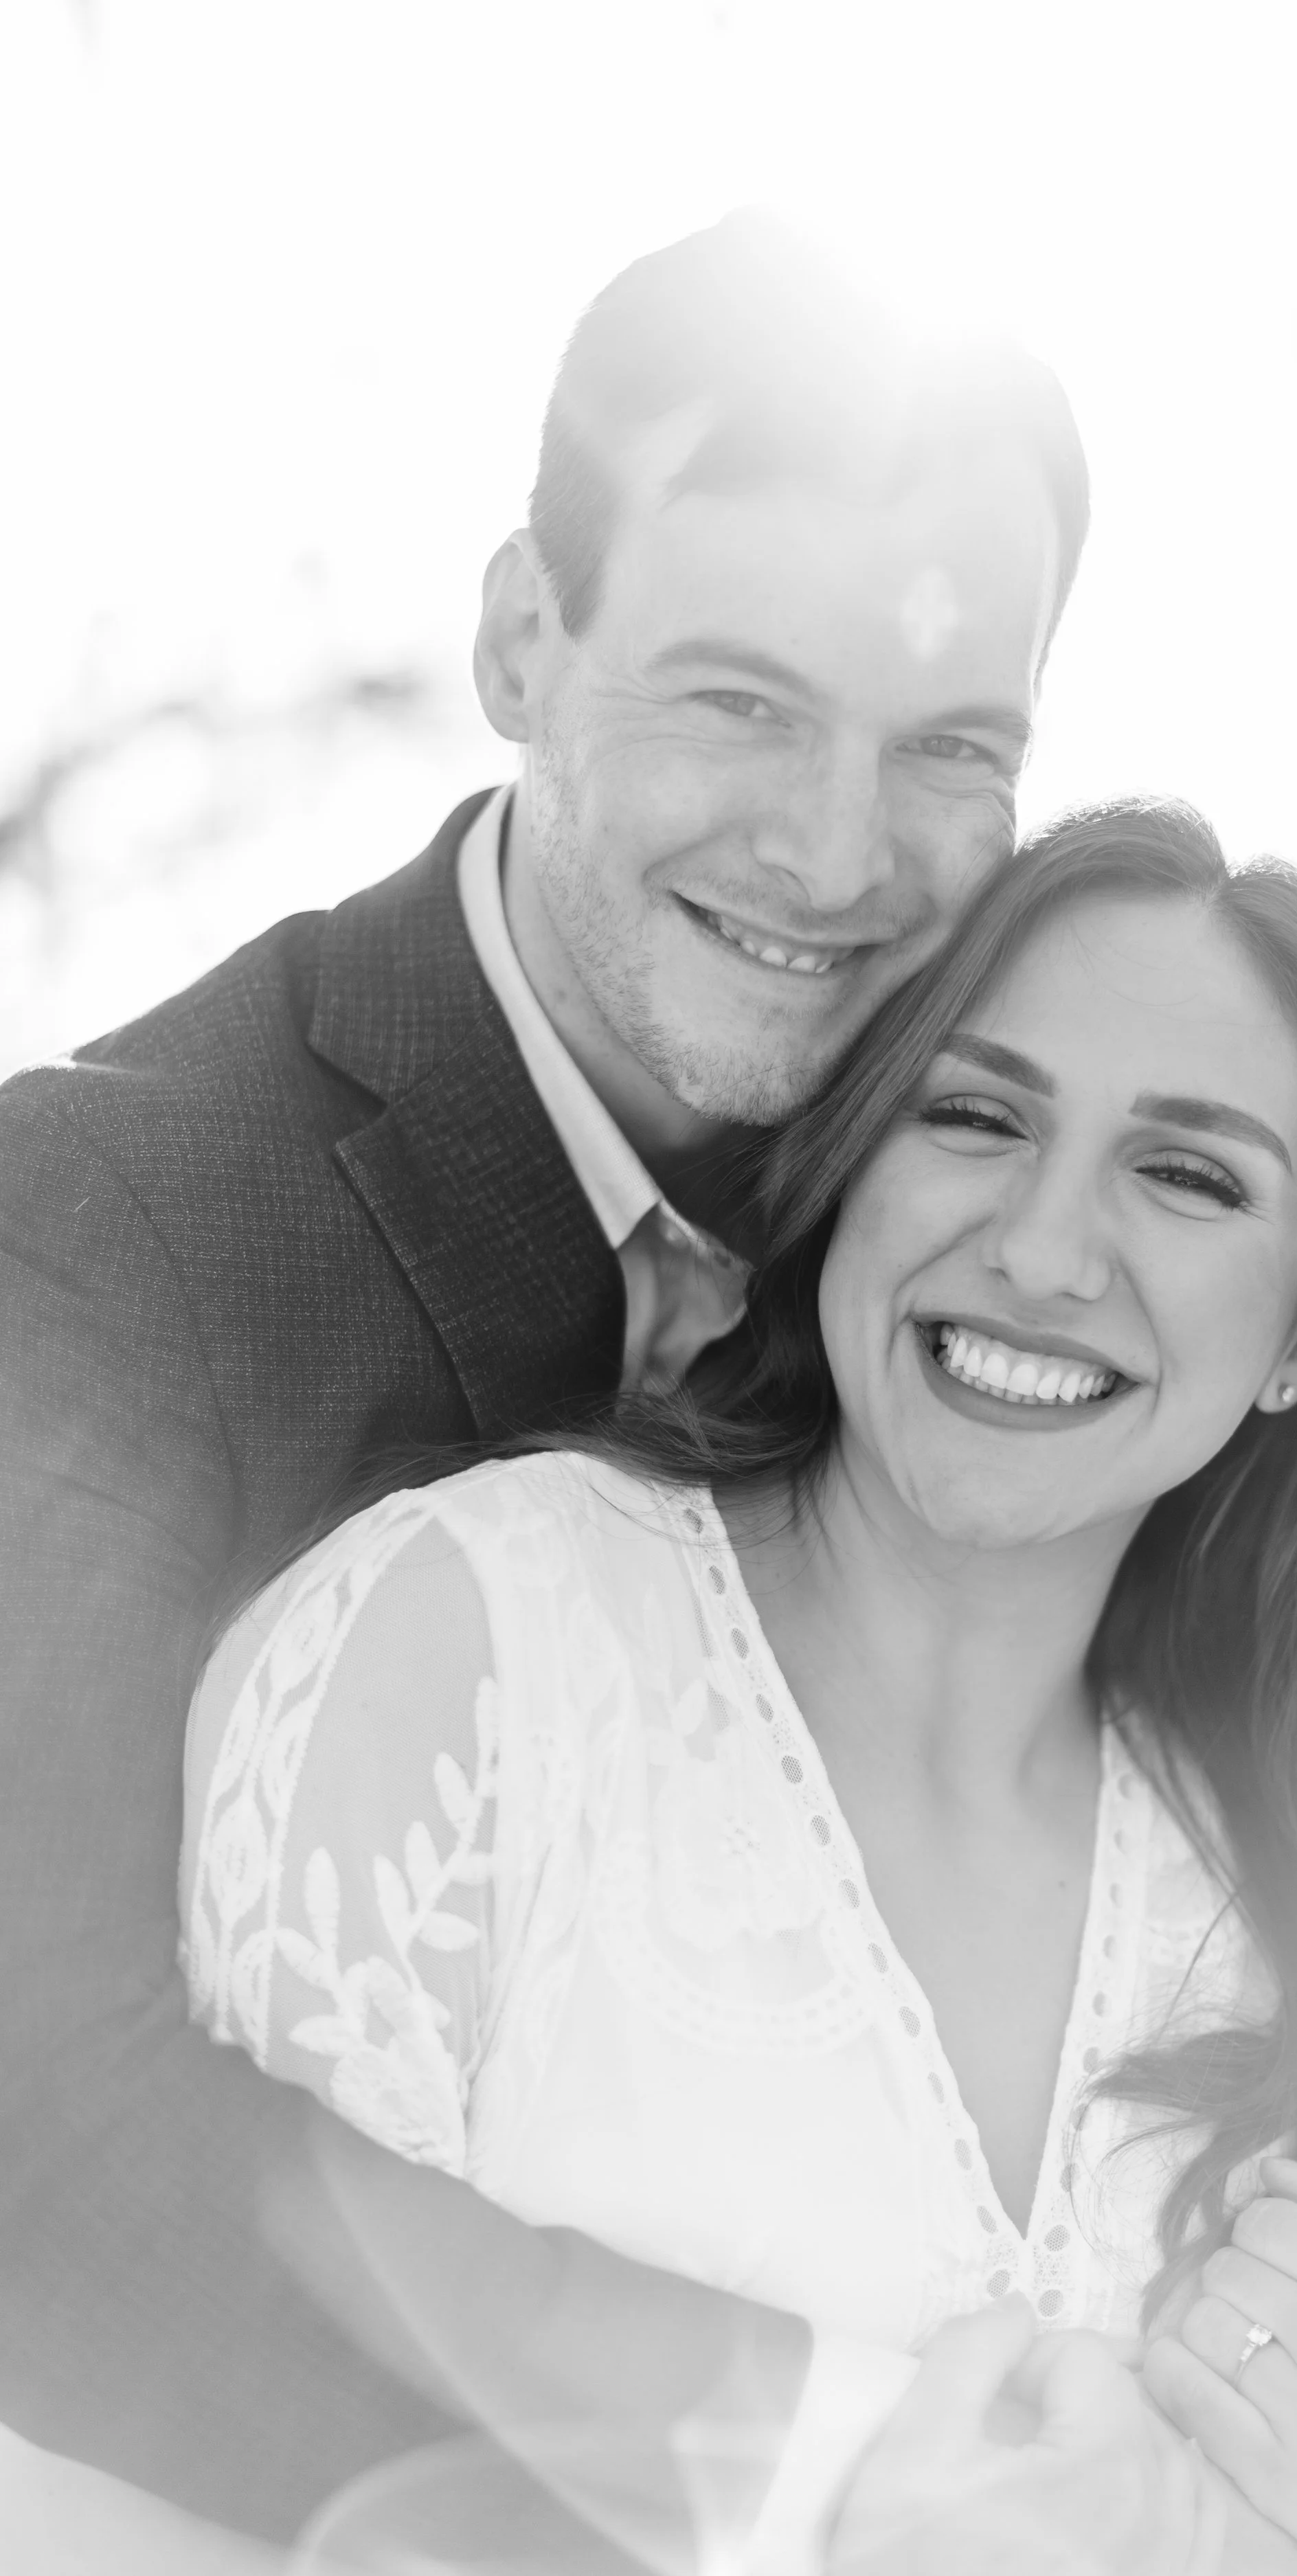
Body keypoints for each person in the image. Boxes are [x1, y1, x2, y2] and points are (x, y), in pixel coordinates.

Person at [183, 799, 1297, 2573]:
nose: (1038, 1246)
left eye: (1186, 1174)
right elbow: (207, 2477)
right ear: (852, 1163)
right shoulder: (469, 1661)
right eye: (973, 1115)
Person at [0, 207, 1090, 2544]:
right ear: (522, 638)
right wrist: (821, 2468)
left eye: (949, 748)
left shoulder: (1007, 1242)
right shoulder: (96, 1226)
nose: (836, 849)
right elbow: (37, 2142)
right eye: (740, 700)